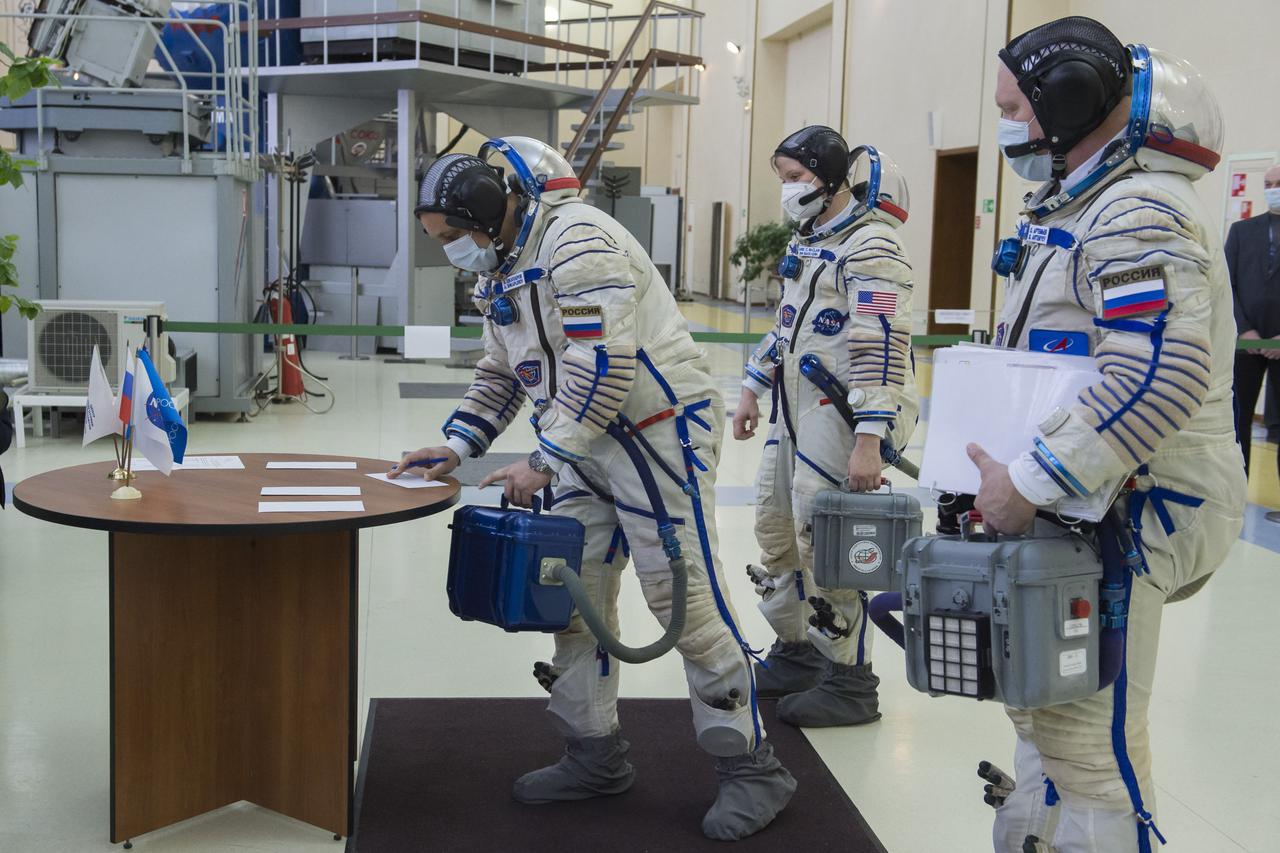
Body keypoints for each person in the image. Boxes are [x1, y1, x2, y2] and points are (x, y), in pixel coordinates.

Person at [391, 137, 795, 840]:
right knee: (569, 591)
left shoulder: (579, 239)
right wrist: (458, 444)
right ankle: (594, 751)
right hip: (578, 438)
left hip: (656, 431)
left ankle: (753, 768)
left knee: (684, 597)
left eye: (452, 237)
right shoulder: (504, 268)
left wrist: (544, 460)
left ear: (492, 211)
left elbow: (605, 361)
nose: (450, 250)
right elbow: (502, 369)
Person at [972, 17, 1246, 852]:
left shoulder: (1137, 212)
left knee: (1093, 746)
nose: (1006, 122)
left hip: (1135, 503)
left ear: (1068, 102)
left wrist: (1031, 480)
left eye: (1013, 106)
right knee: (1045, 713)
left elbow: (1156, 378)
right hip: (1088, 495)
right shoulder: (1088, 204)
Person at [731, 126, 919, 727]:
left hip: (842, 414)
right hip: (795, 408)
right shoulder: (810, 243)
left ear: (831, 178)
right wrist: (752, 388)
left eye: (796, 177)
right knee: (775, 528)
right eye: (783, 178)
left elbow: (881, 343)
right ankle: (797, 653)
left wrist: (869, 436)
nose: (787, 190)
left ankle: (850, 679)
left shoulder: (873, 248)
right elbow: (787, 328)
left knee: (827, 543)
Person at [1227, 163, 1280, 520]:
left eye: (1279, 183)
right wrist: (1245, 329)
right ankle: (1234, 491)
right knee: (1237, 416)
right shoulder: (1243, 231)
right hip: (1246, 338)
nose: (1273, 188)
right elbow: (1226, 285)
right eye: (1269, 183)